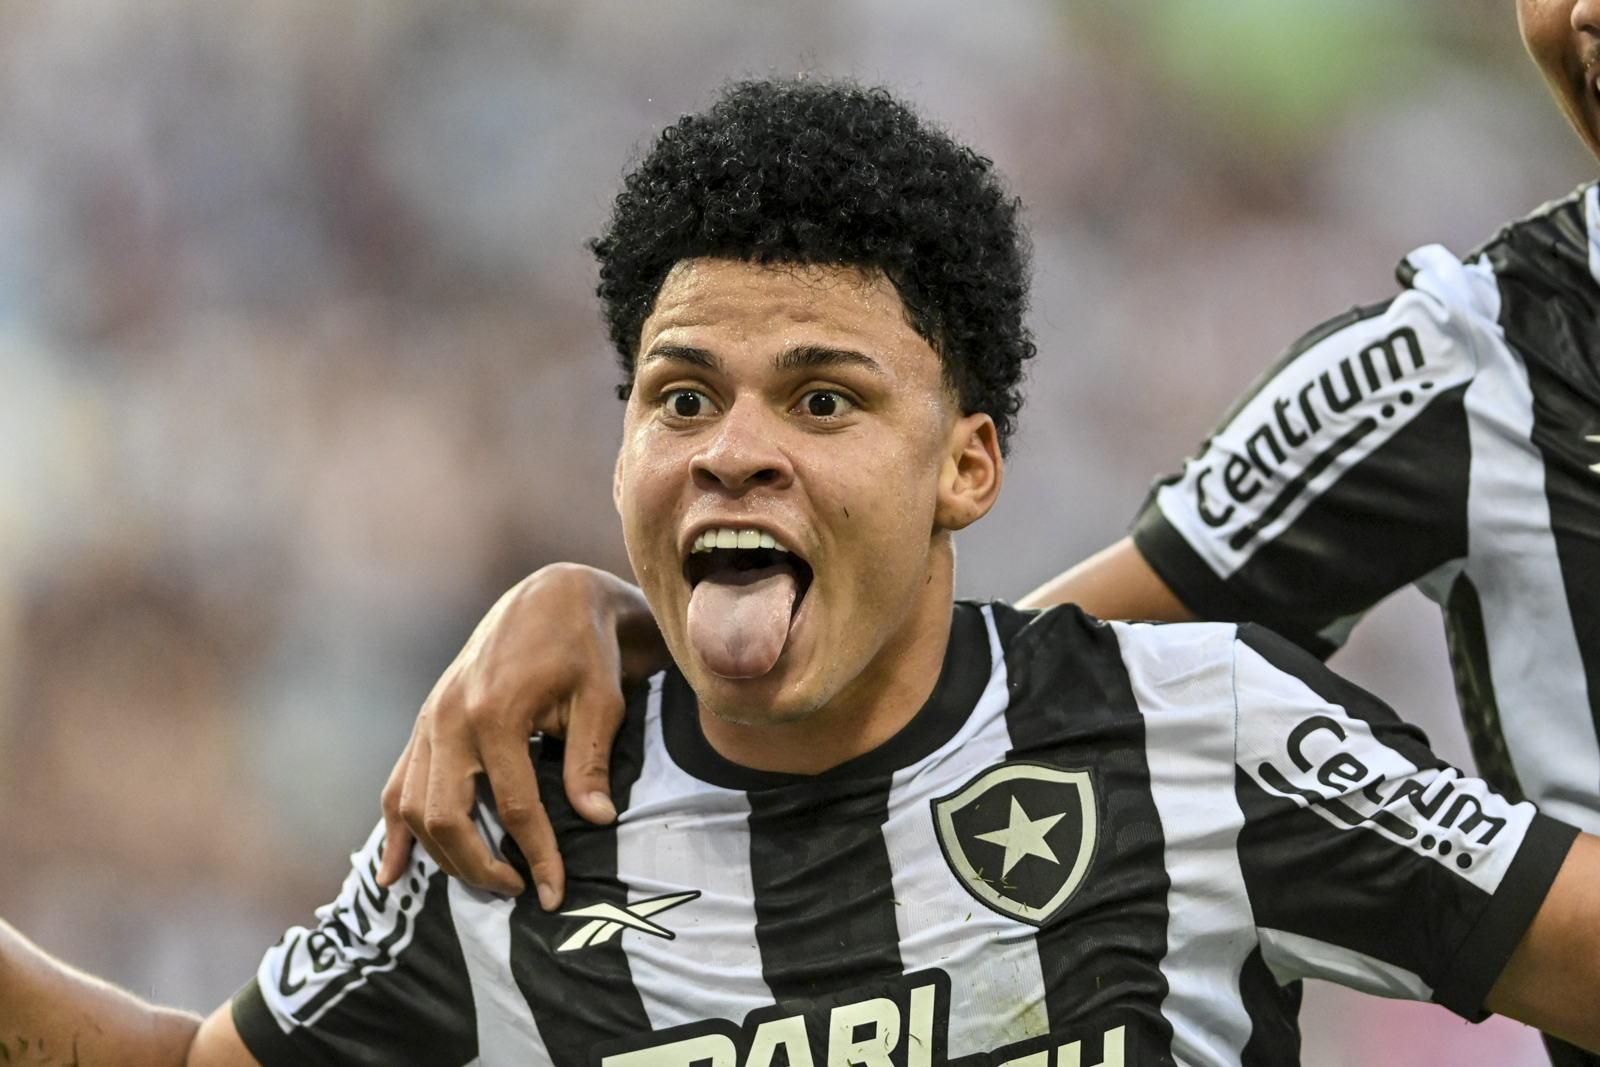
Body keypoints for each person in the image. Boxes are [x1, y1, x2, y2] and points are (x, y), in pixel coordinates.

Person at [8, 76, 1600, 1067]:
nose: (735, 451)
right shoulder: (524, 836)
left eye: (824, 401)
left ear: (966, 465)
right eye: (680, 399)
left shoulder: (1204, 733)